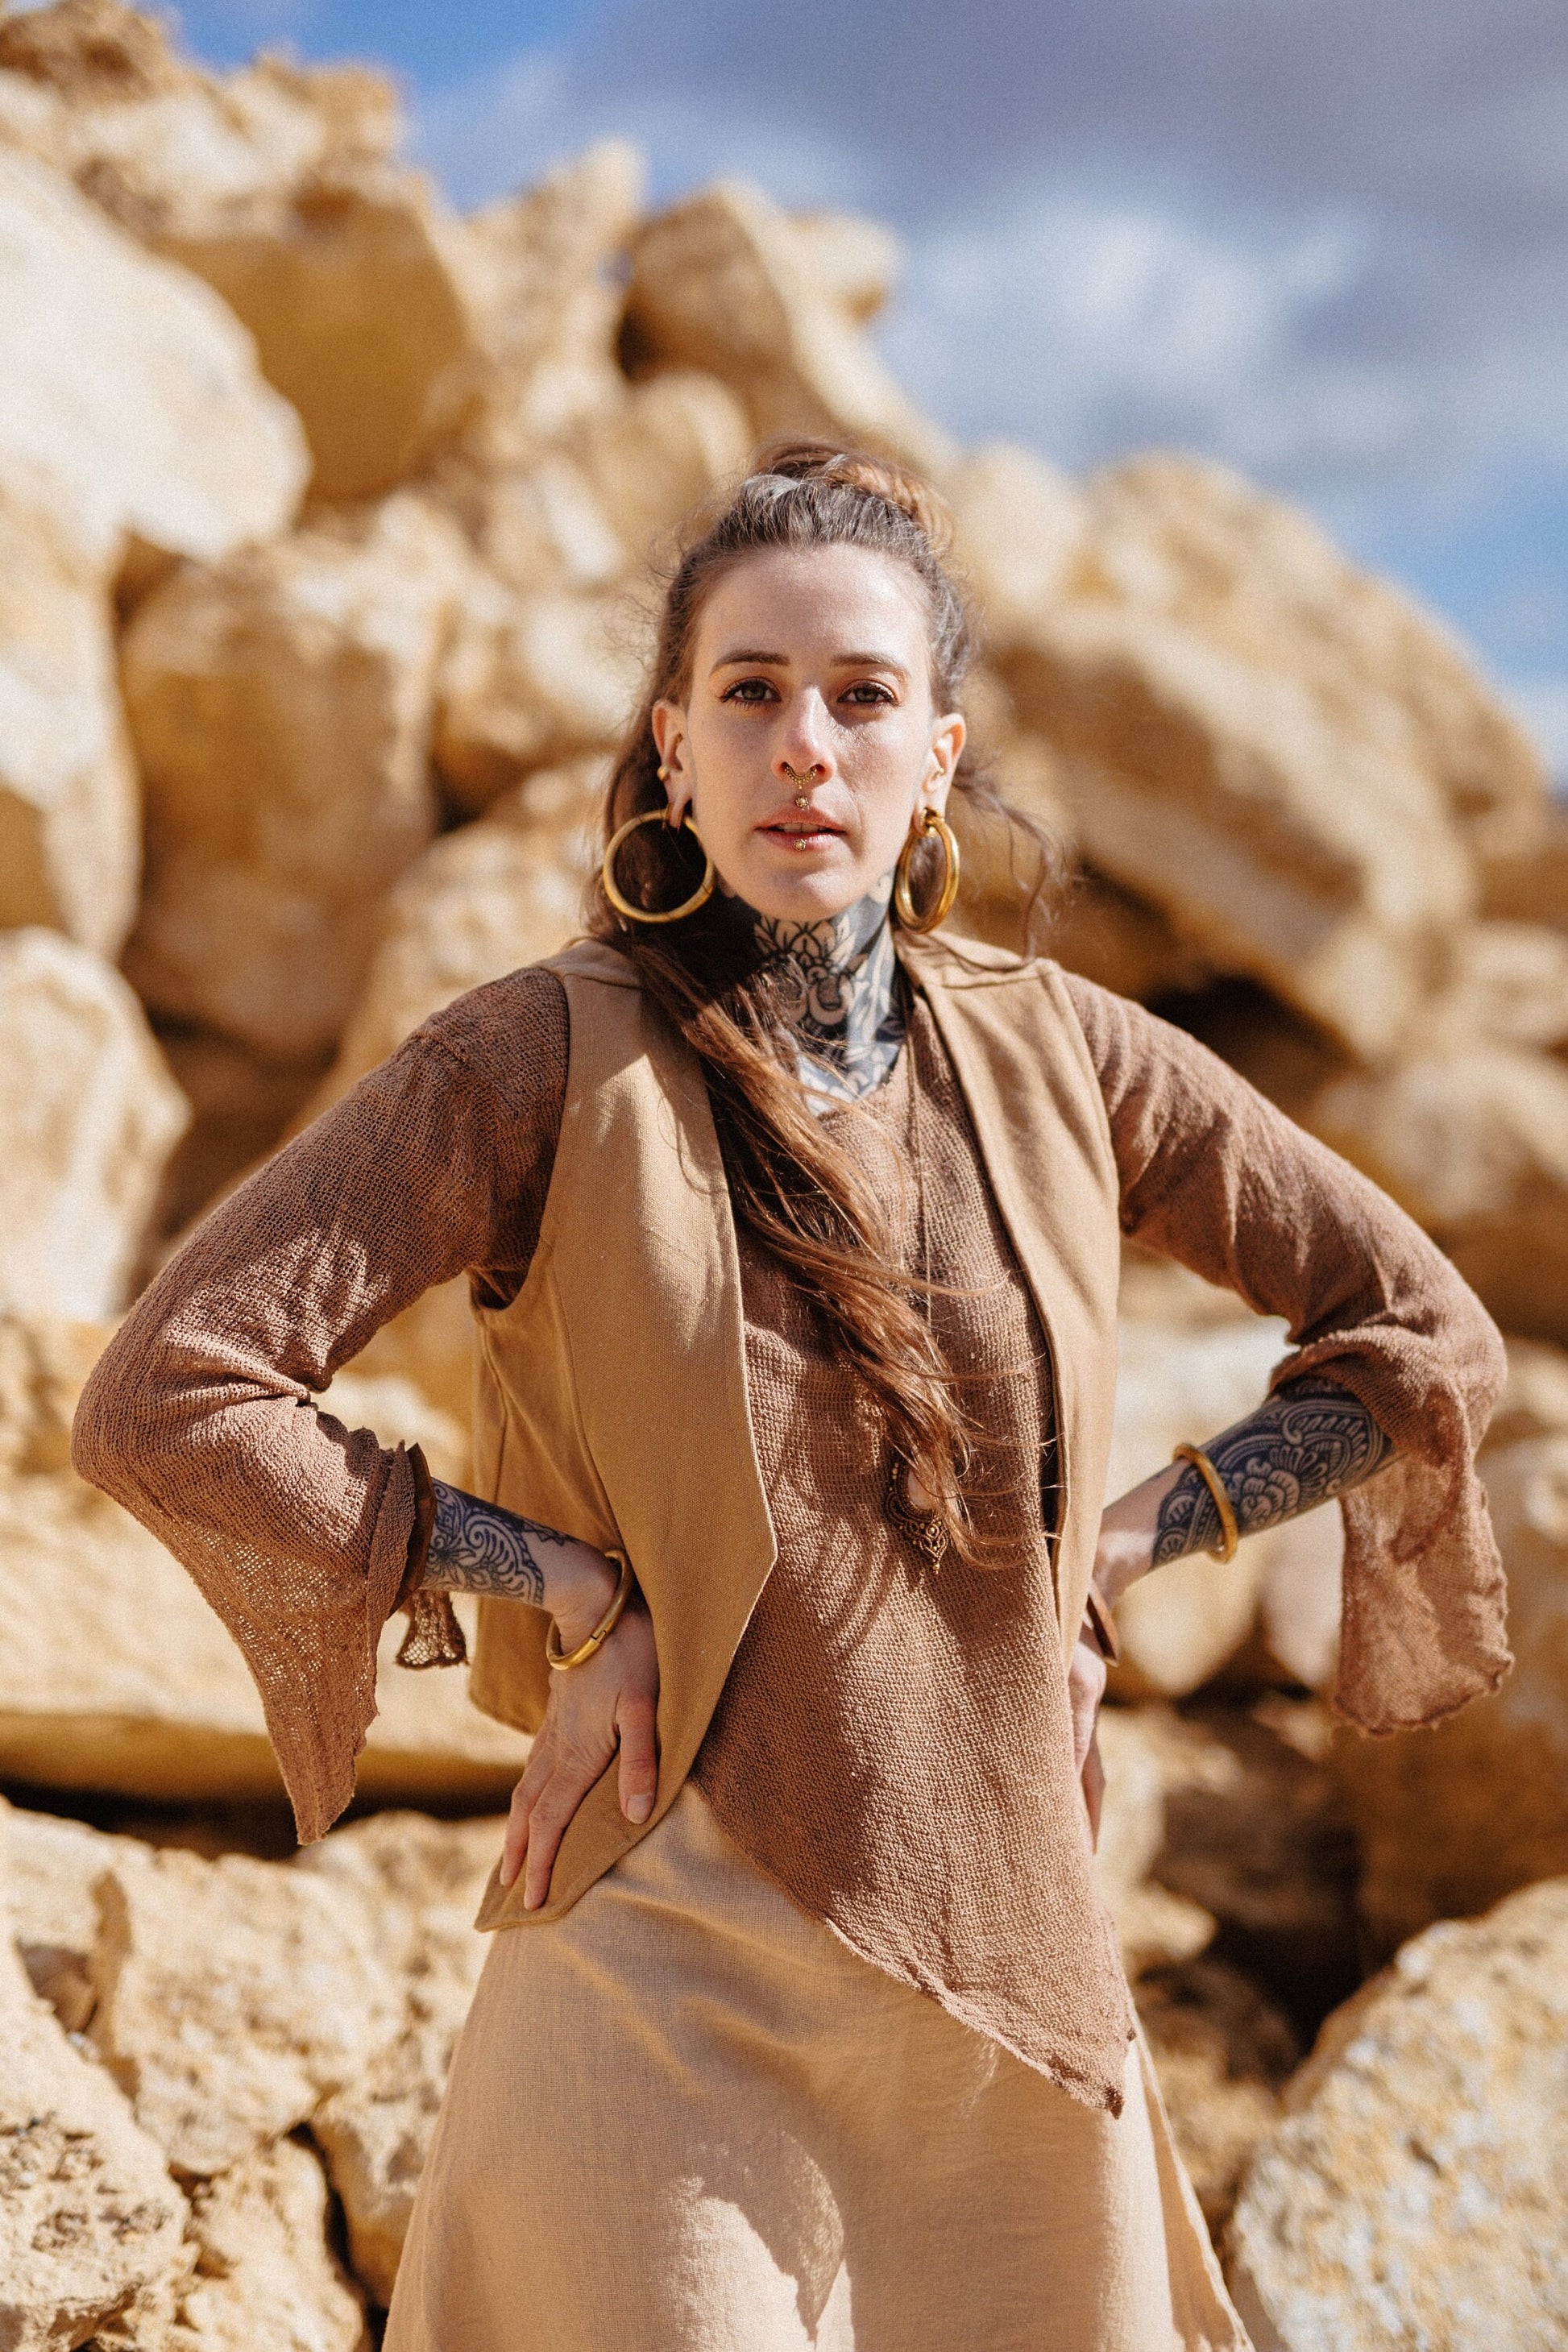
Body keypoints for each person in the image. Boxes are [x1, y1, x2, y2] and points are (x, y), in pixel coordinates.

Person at [73, 442, 1510, 2352]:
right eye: (749, 692)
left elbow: (1418, 1328)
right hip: (661, 1958)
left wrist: (1118, 1543)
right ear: (672, 746)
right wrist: (562, 1582)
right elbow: (171, 1386)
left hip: (1004, 1970)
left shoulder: (1072, 1056)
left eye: (860, 696)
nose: (802, 744)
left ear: (938, 753)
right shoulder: (535, 1056)